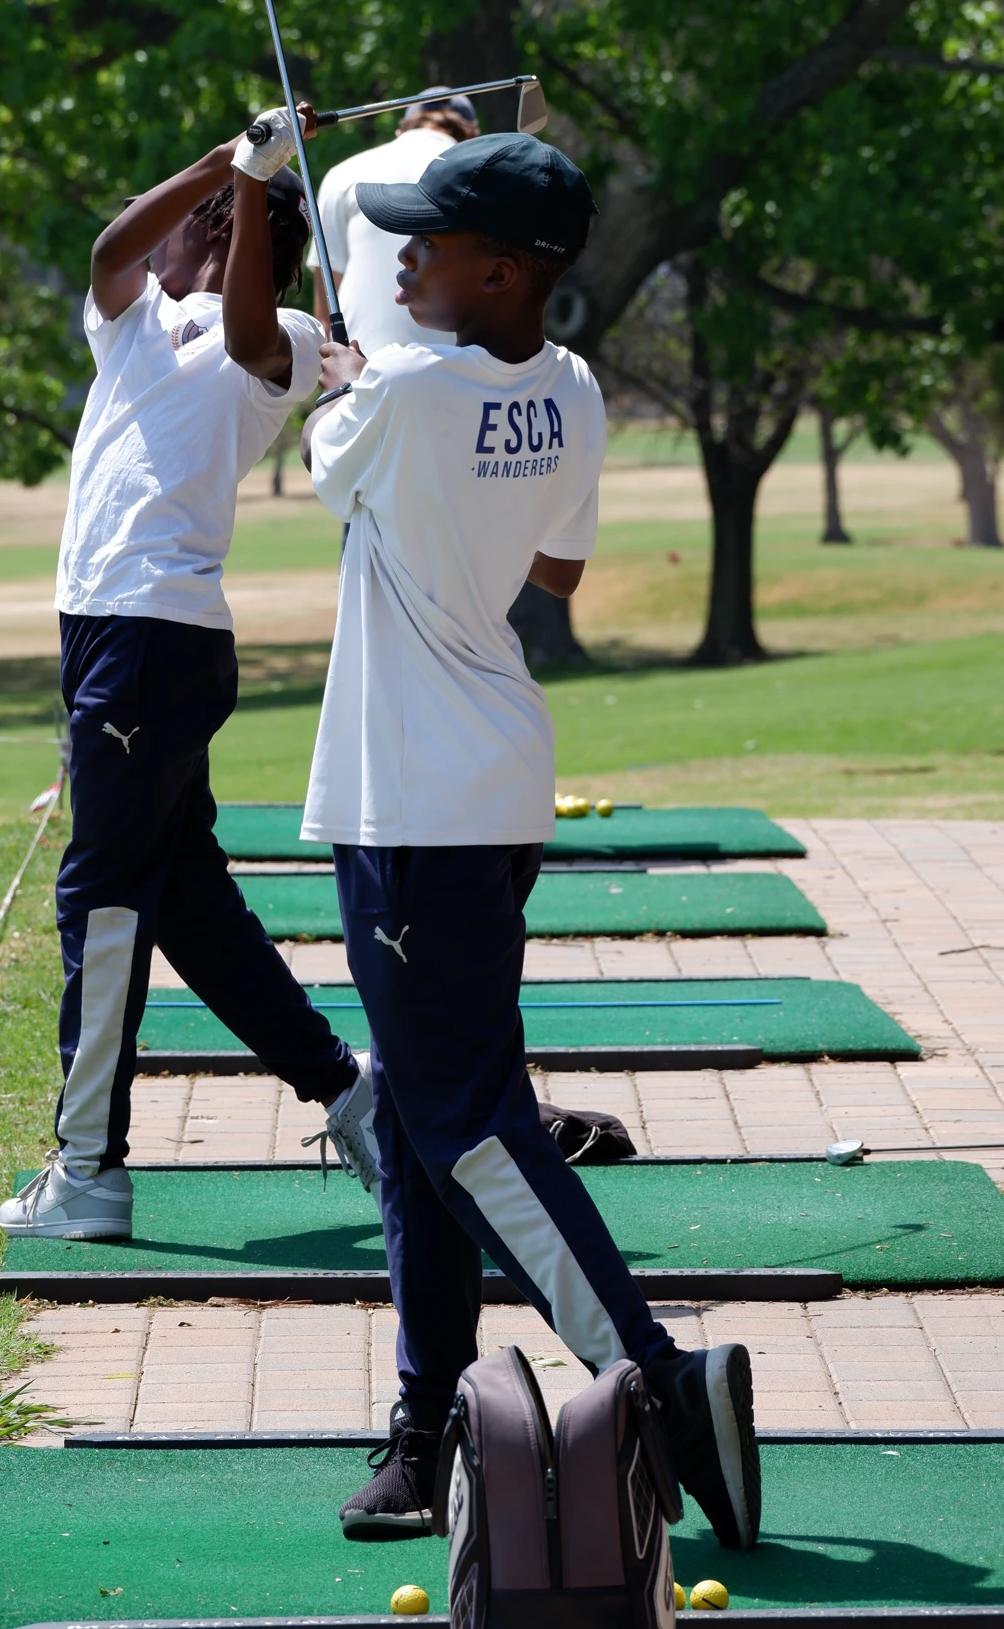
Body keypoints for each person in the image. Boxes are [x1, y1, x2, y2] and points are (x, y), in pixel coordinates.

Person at [294, 133, 761, 1551]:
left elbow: (334, 450)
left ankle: (656, 1378)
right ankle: (425, 1414)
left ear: (505, 271)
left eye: (427, 242)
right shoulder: (569, 386)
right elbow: (553, 567)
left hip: (417, 806)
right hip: (488, 786)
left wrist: (358, 377)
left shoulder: (409, 391)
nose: (402, 257)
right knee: (433, 1118)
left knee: (461, 1122)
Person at [0, 109, 380, 1243]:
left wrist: (254, 190)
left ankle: (88, 1168)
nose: (162, 241)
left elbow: (253, 324)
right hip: (107, 636)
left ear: (216, 234)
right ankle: (346, 1088)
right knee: (186, 900)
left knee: (99, 900)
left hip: (153, 638)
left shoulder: (293, 338)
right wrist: (225, 163)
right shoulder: (132, 319)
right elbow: (110, 248)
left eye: (194, 218)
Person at [308, 87, 479, 354]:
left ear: (401, 130)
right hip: (458, 376)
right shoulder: (483, 182)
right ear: (472, 137)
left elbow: (325, 316)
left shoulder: (342, 174)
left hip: (357, 369)